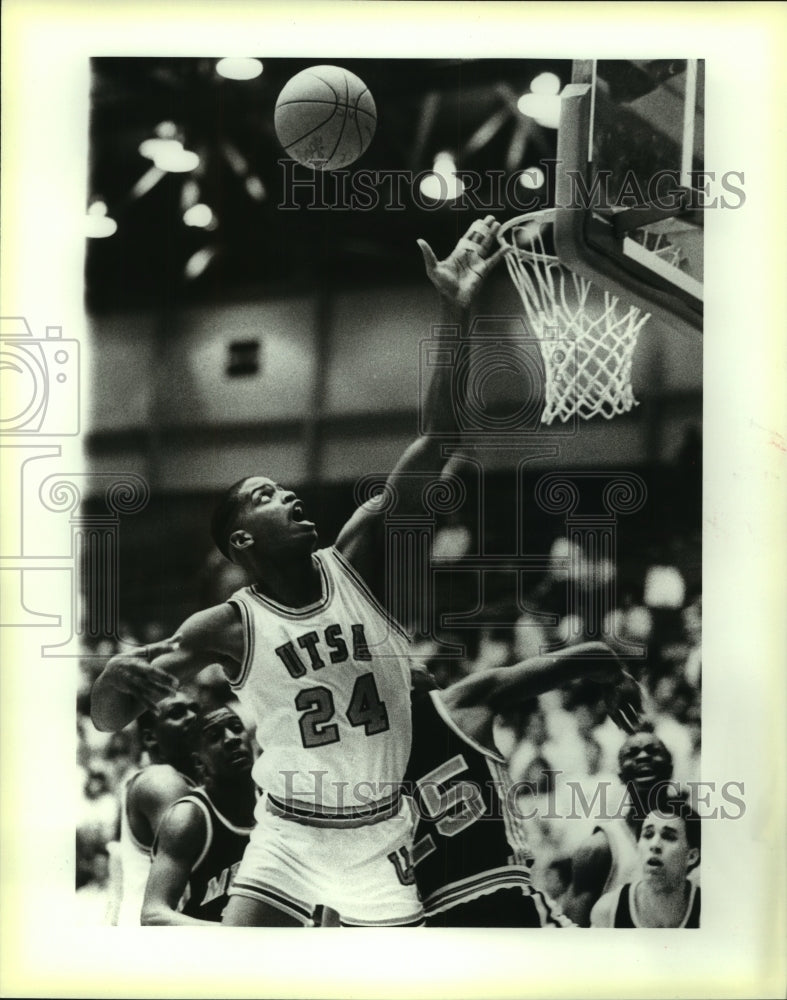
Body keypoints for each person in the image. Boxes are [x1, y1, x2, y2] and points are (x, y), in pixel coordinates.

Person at [91, 216, 506, 928]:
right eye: (264, 495)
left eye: (284, 488)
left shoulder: (359, 552)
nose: (288, 493)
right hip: (287, 831)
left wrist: (455, 310)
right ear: (244, 539)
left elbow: (440, 436)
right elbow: (108, 719)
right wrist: (110, 680)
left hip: (380, 834)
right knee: (241, 967)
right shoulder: (226, 624)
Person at [403, 642, 643, 926]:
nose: (423, 669)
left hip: (432, 920)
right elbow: (594, 655)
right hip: (500, 894)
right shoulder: (455, 704)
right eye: (412, 666)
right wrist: (616, 677)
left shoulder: (363, 763)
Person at [141, 705, 256, 925]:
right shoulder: (188, 818)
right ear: (198, 762)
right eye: (215, 737)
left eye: (236, 728)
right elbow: (152, 915)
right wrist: (236, 936)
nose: (231, 739)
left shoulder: (275, 803)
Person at [560, 723, 677, 926]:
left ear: (670, 767)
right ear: (621, 776)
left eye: (652, 751)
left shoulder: (696, 835)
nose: (642, 757)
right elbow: (571, 934)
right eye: (632, 754)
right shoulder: (598, 848)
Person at [105, 680, 201, 926]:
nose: (193, 717)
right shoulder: (160, 781)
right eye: (177, 713)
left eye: (196, 709)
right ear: (150, 738)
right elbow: (206, 857)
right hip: (153, 940)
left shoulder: (193, 780)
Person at [590, 795, 700, 927]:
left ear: (692, 856)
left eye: (669, 837)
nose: (654, 845)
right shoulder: (607, 910)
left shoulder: (710, 910)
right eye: (648, 835)